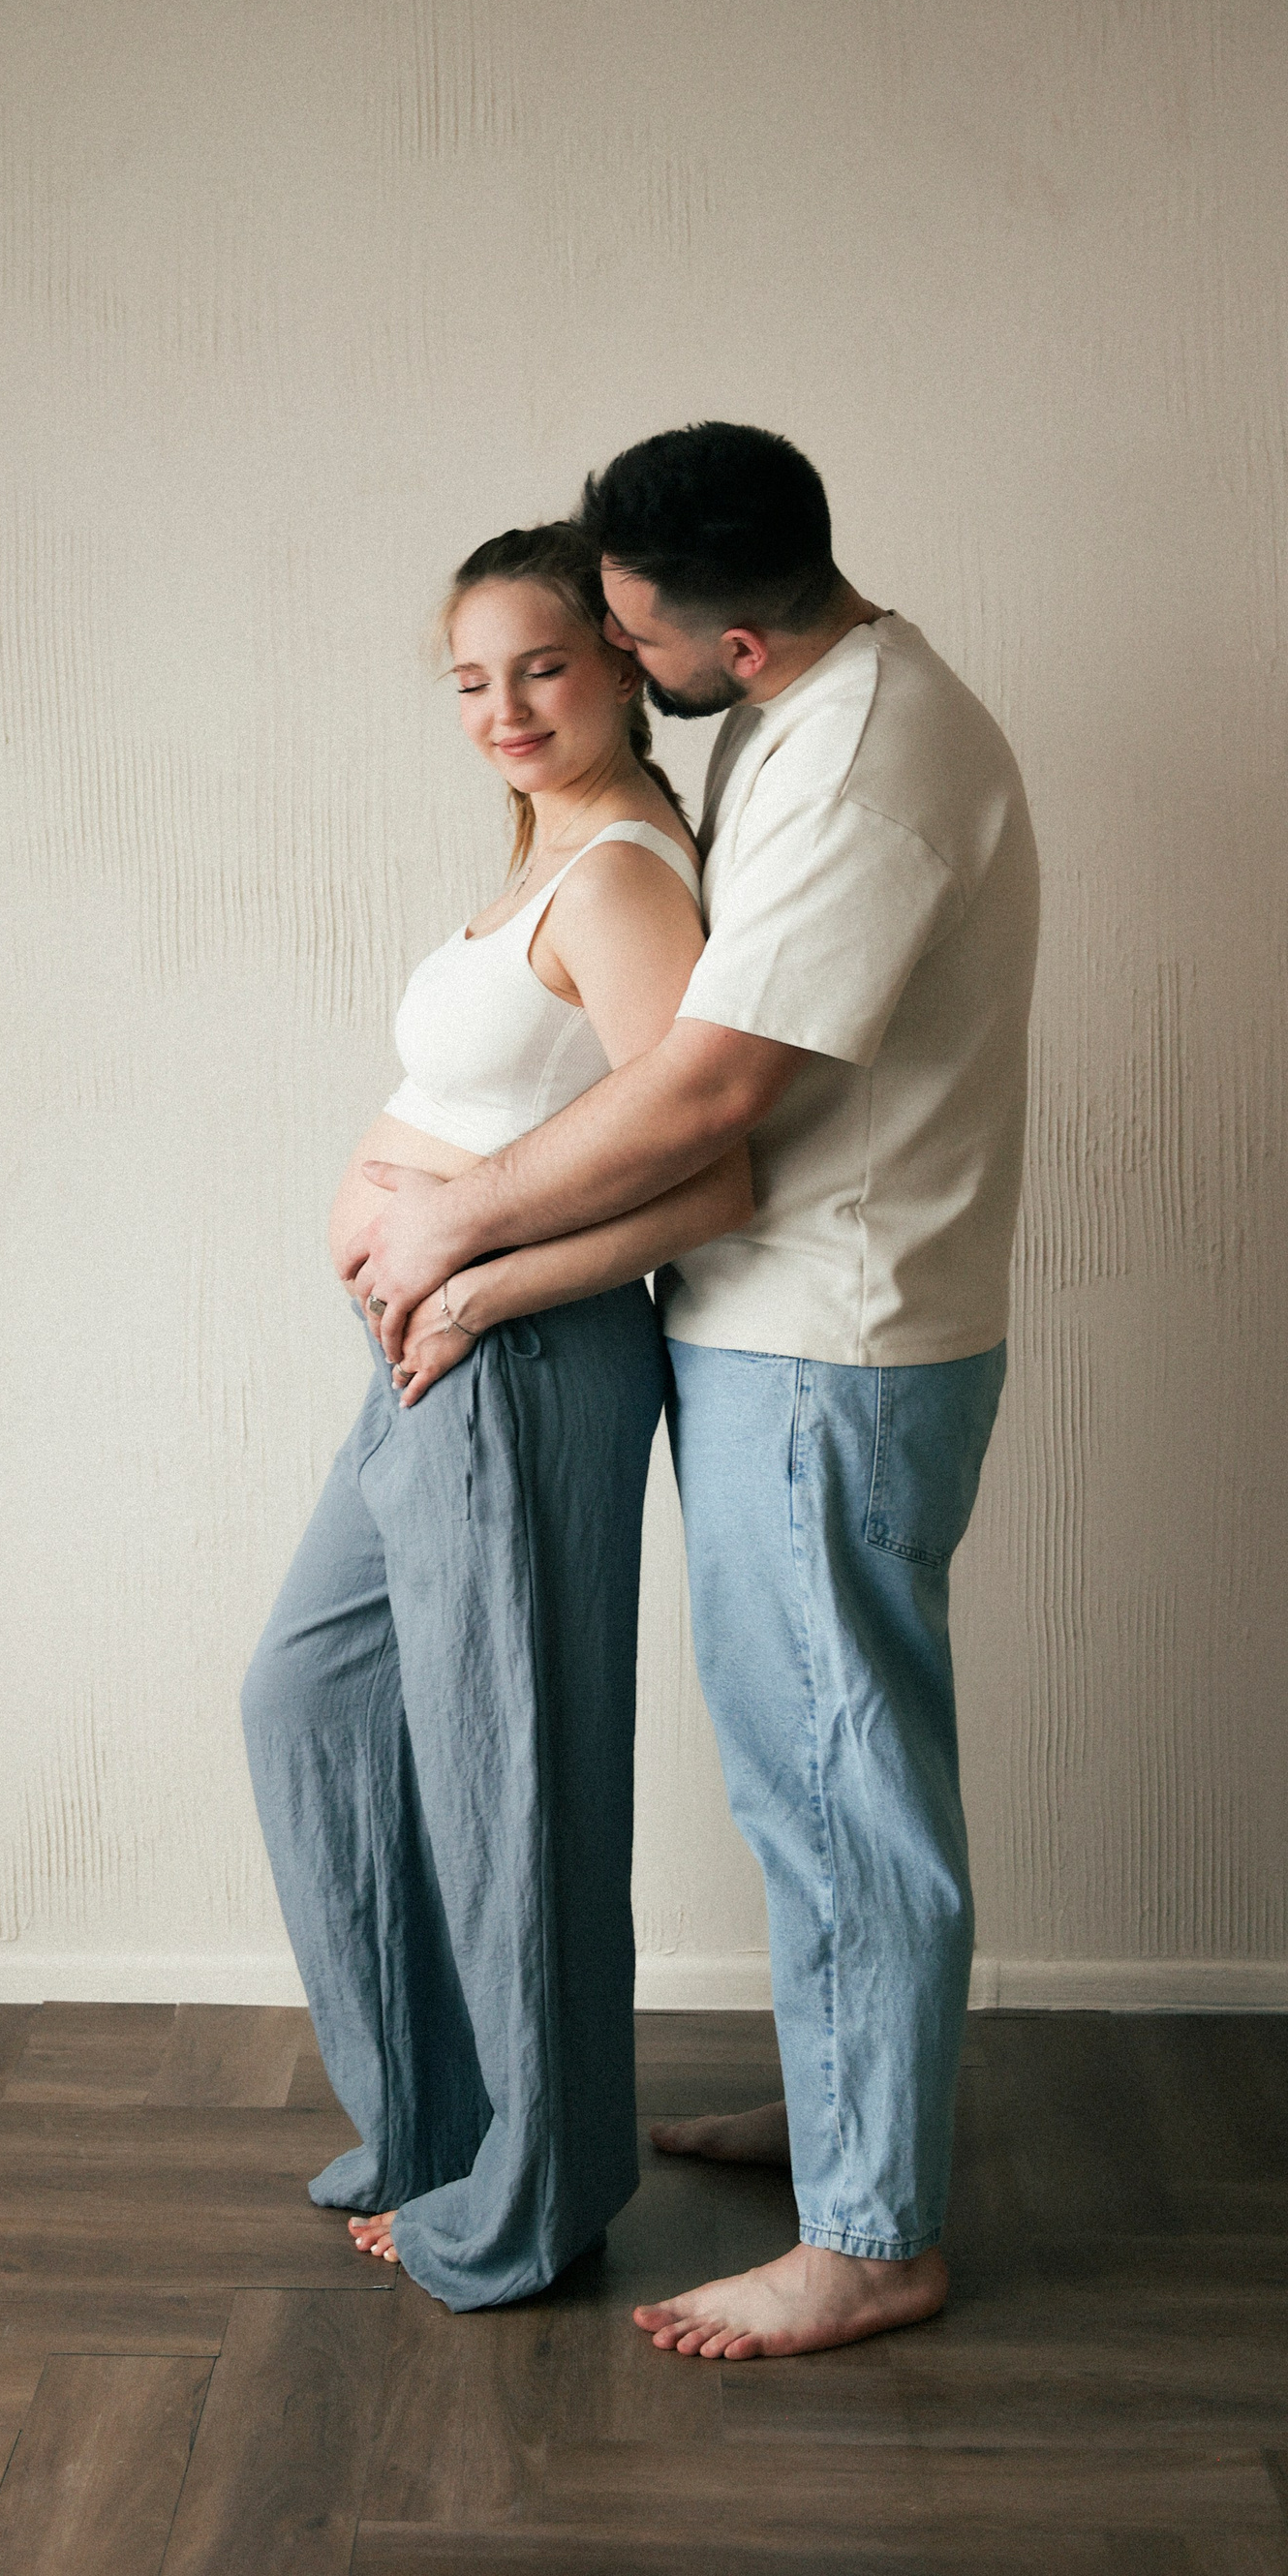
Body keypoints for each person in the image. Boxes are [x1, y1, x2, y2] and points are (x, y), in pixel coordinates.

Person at [342, 423, 1039, 2359]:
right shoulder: (806, 708)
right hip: (794, 1325)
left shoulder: (870, 761)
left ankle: (873, 2237)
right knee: (806, 1766)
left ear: (734, 642)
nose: (617, 671)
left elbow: (716, 1086)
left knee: (837, 1784)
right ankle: (845, 2124)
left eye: (630, 640)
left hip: (832, 1340)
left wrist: (462, 1221)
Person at [241, 522, 752, 2312]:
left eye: (541, 665)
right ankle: (439, 2122)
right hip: (431, 1356)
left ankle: (534, 2193)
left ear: (618, 663)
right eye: (471, 679)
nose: (504, 707)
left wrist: (475, 1288)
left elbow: (714, 1173)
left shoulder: (620, 877)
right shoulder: (545, 857)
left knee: (507, 1781)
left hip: (511, 1361)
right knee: (313, 1696)